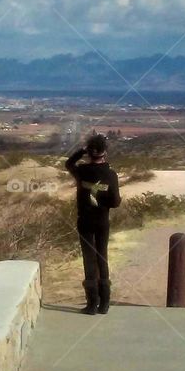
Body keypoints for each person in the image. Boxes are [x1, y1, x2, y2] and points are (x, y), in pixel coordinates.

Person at [65, 133, 121, 315]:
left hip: (85, 221)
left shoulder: (81, 171)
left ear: (90, 152)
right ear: (105, 152)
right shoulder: (111, 174)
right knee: (102, 257)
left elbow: (68, 164)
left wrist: (82, 151)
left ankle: (91, 304)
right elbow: (115, 202)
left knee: (89, 260)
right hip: (102, 221)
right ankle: (104, 303)